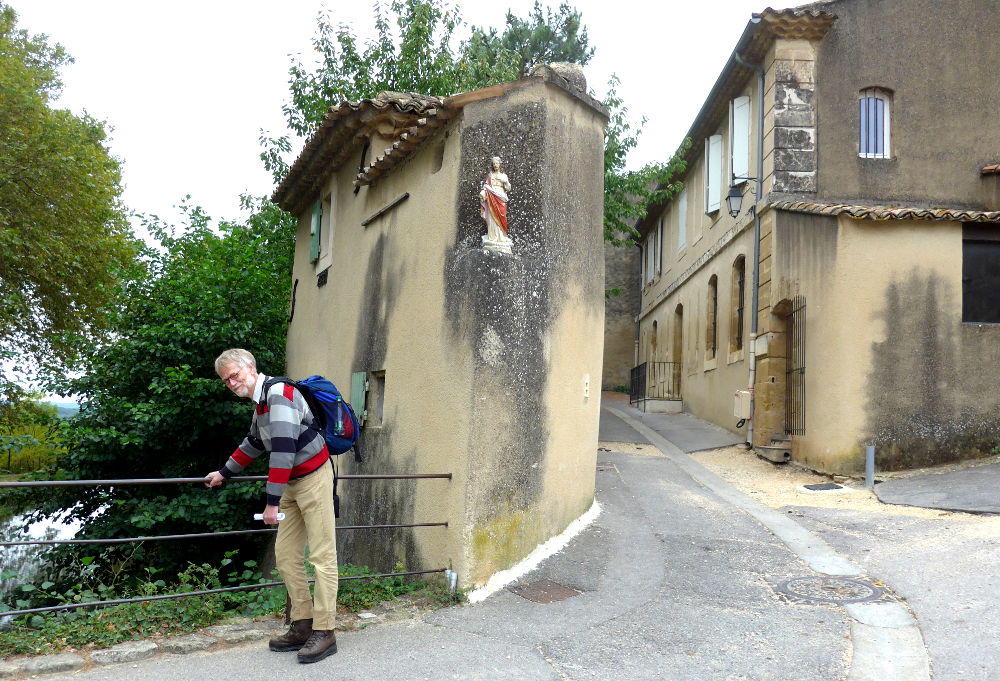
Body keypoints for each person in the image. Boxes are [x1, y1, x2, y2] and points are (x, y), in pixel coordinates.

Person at [204, 348, 339, 664]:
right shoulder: (260, 403)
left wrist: (271, 504)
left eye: (234, 375)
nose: (231, 383)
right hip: (292, 482)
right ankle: (303, 624)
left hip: (313, 478)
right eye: (226, 381)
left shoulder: (278, 393)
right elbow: (253, 442)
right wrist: (223, 473)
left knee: (322, 556)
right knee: (287, 556)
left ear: (250, 367)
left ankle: (325, 630)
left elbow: (283, 450)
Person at [480, 156, 513, 251]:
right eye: (493, 164)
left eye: (497, 163)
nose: (495, 165)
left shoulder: (504, 176)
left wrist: (506, 182)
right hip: (491, 196)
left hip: (501, 196)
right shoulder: (490, 175)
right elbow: (486, 186)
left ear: (500, 164)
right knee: (492, 217)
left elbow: (508, 188)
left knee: (502, 215)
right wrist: (483, 193)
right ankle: (493, 236)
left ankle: (501, 236)